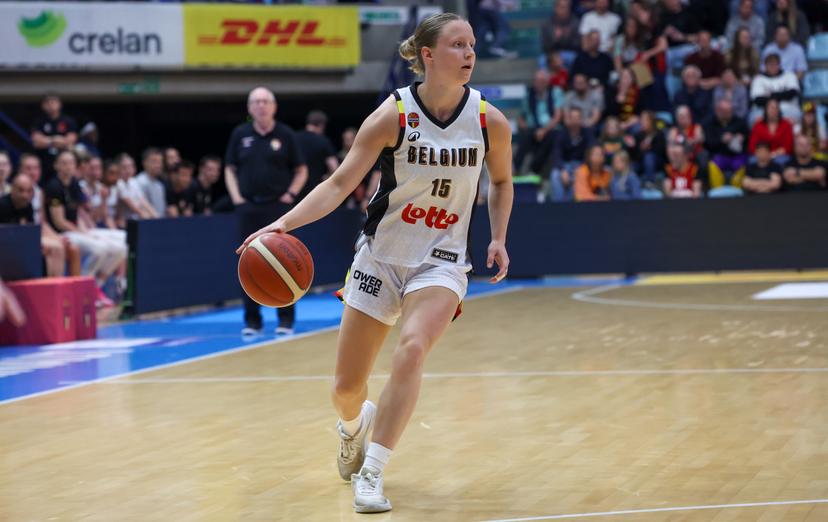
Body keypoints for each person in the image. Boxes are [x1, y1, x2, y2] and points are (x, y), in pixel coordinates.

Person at [236, 13, 513, 514]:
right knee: (346, 389)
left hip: (442, 260)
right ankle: (351, 428)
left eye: (472, 44)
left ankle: (374, 471)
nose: (469, 53)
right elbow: (339, 184)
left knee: (411, 351)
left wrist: (498, 236)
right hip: (381, 257)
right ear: (427, 55)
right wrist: (283, 226)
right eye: (457, 45)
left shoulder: (490, 121)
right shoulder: (393, 115)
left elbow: (502, 182)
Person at [225, 86, 308, 337]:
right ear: (250, 108)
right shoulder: (240, 134)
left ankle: (285, 320)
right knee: (248, 262)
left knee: (286, 260)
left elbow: (301, 169)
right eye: (256, 102)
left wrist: (291, 195)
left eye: (265, 101)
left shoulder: (285, 134)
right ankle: (252, 321)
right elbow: (229, 168)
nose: (261, 105)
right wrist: (237, 198)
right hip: (249, 207)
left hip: (278, 209)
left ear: (273, 106)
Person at [30, 93, 77, 185]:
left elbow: (71, 140)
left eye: (53, 102)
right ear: (43, 106)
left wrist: (46, 141)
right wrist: (53, 140)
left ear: (60, 104)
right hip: (44, 161)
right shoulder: (39, 121)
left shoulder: (68, 121)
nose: (51, 105)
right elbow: (36, 141)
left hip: (63, 163)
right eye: (47, 102)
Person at [295, 110, 340, 202]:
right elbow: (335, 168)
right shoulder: (323, 142)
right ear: (322, 125)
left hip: (295, 190)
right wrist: (326, 178)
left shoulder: (294, 138)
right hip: (315, 191)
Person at [135, 148, 167, 218]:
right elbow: (141, 207)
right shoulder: (139, 182)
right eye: (154, 161)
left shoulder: (159, 185)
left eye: (160, 162)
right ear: (144, 163)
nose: (158, 165)